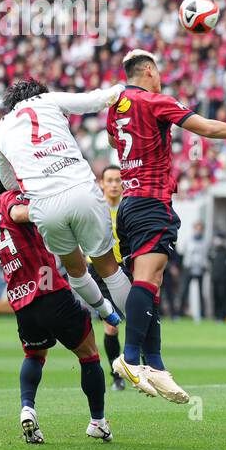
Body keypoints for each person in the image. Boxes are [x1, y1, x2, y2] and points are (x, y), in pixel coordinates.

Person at [105, 49, 226, 401]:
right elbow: (205, 127)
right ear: (148, 70)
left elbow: (112, 140)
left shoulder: (115, 107)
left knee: (152, 282)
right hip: (151, 201)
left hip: (130, 202)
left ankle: (156, 364)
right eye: (158, 71)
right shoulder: (155, 101)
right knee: (148, 279)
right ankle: (131, 357)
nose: (161, 77)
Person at [0, 176, 112, 444]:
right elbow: (20, 212)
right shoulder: (14, 200)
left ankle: (27, 408)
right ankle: (98, 421)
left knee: (34, 354)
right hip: (48, 288)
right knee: (89, 354)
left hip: (20, 298)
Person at [0, 79, 130, 328]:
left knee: (76, 270)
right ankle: (142, 336)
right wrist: (122, 89)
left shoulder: (1, 128)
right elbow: (96, 99)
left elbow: (7, 181)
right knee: (109, 267)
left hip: (45, 205)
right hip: (80, 191)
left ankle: (104, 310)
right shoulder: (48, 99)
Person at [89, 165, 126, 389]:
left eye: (117, 180)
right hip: (99, 270)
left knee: (140, 321)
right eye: (109, 180)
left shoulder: (127, 208)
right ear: (102, 184)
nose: (113, 184)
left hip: (125, 268)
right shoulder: (95, 208)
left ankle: (146, 370)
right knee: (111, 327)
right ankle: (117, 377)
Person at [178, 220, 208, 322]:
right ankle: (180, 313)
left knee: (201, 292)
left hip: (200, 268)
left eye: (200, 229)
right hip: (188, 268)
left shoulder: (205, 242)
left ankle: (202, 314)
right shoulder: (188, 240)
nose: (198, 231)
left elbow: (206, 255)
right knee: (184, 291)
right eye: (197, 228)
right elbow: (183, 253)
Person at [209, 231, 226, 322]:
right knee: (215, 296)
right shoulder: (212, 250)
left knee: (223, 296)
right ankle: (216, 316)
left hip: (224, 278)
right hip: (214, 277)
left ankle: (223, 316)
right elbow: (209, 261)